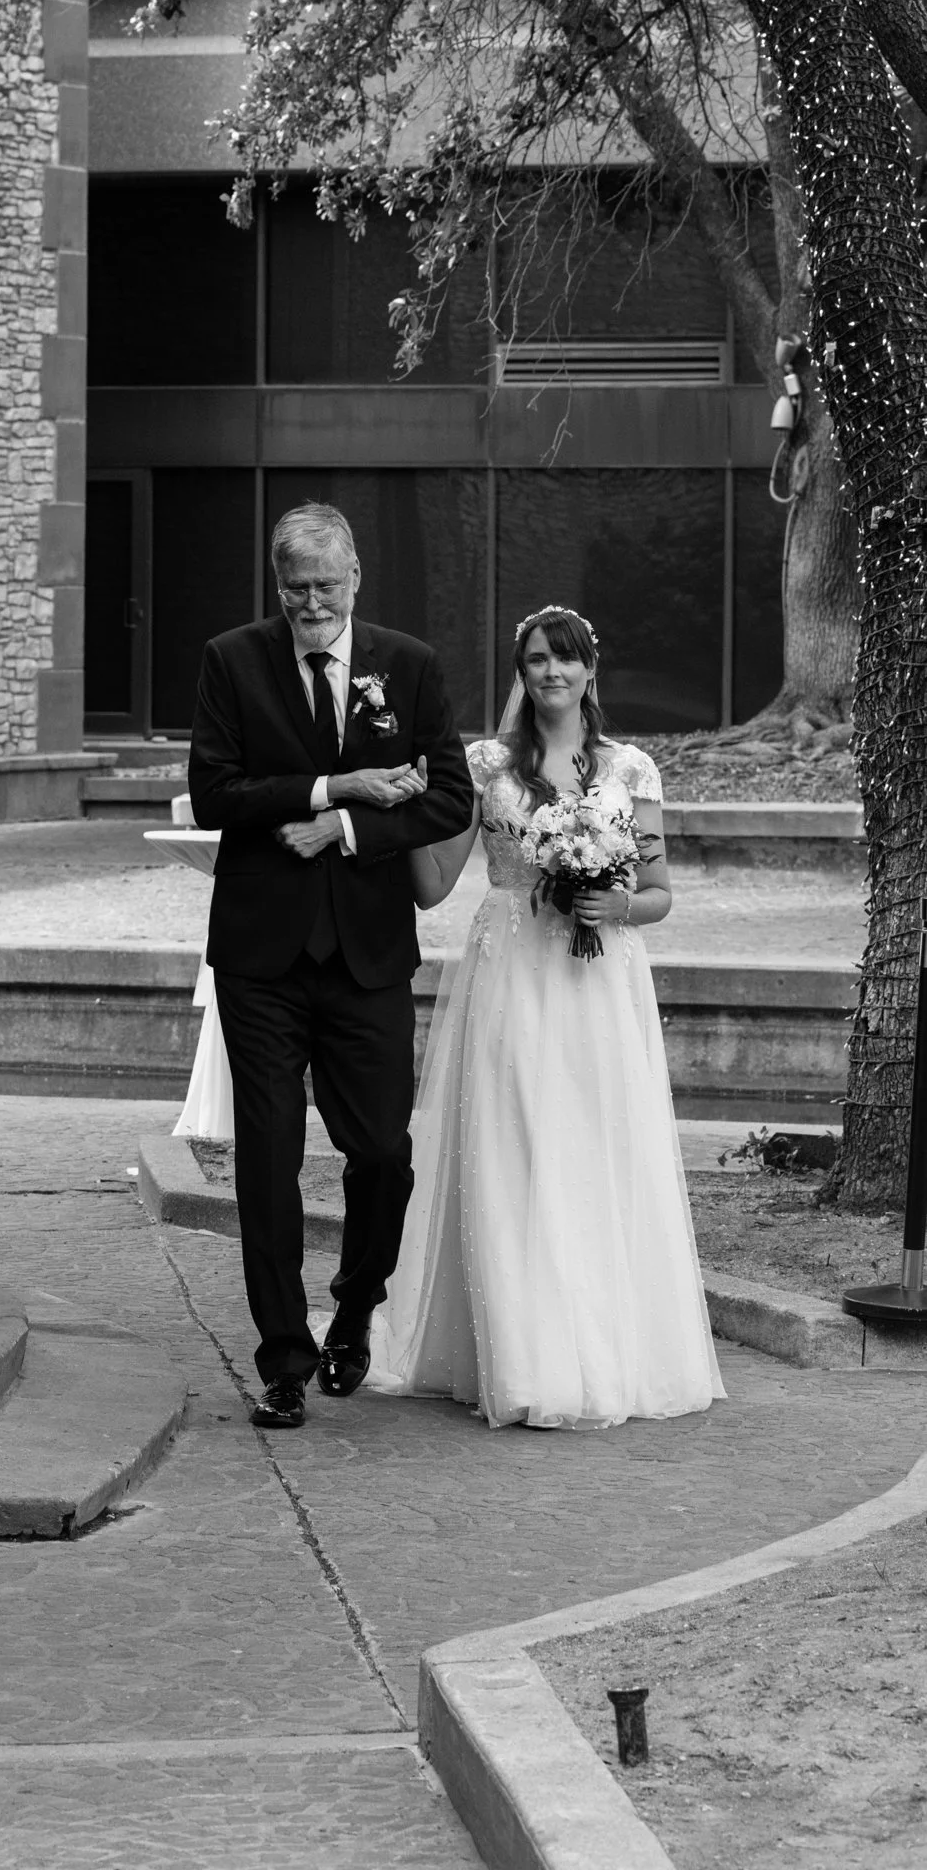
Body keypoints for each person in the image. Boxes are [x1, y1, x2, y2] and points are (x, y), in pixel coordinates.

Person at [372, 605, 725, 1429]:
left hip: (598, 988)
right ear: (520, 671)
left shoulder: (630, 768)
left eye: (564, 659)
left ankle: (598, 1349)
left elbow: (661, 893)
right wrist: (392, 819)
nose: (550, 673)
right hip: (510, 972)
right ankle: (523, 1358)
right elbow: (433, 881)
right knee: (513, 1146)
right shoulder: (486, 764)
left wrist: (618, 903)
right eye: (535, 660)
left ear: (589, 670)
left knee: (593, 1150)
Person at [188, 502, 475, 1430]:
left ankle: (354, 1309)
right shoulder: (232, 660)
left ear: (356, 580)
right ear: (277, 588)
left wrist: (345, 828)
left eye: (326, 586)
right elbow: (213, 793)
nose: (311, 603)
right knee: (266, 1165)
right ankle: (281, 1361)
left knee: (383, 1153)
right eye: (294, 588)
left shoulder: (410, 664)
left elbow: (447, 800)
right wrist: (335, 784)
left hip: (367, 953)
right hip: (261, 958)